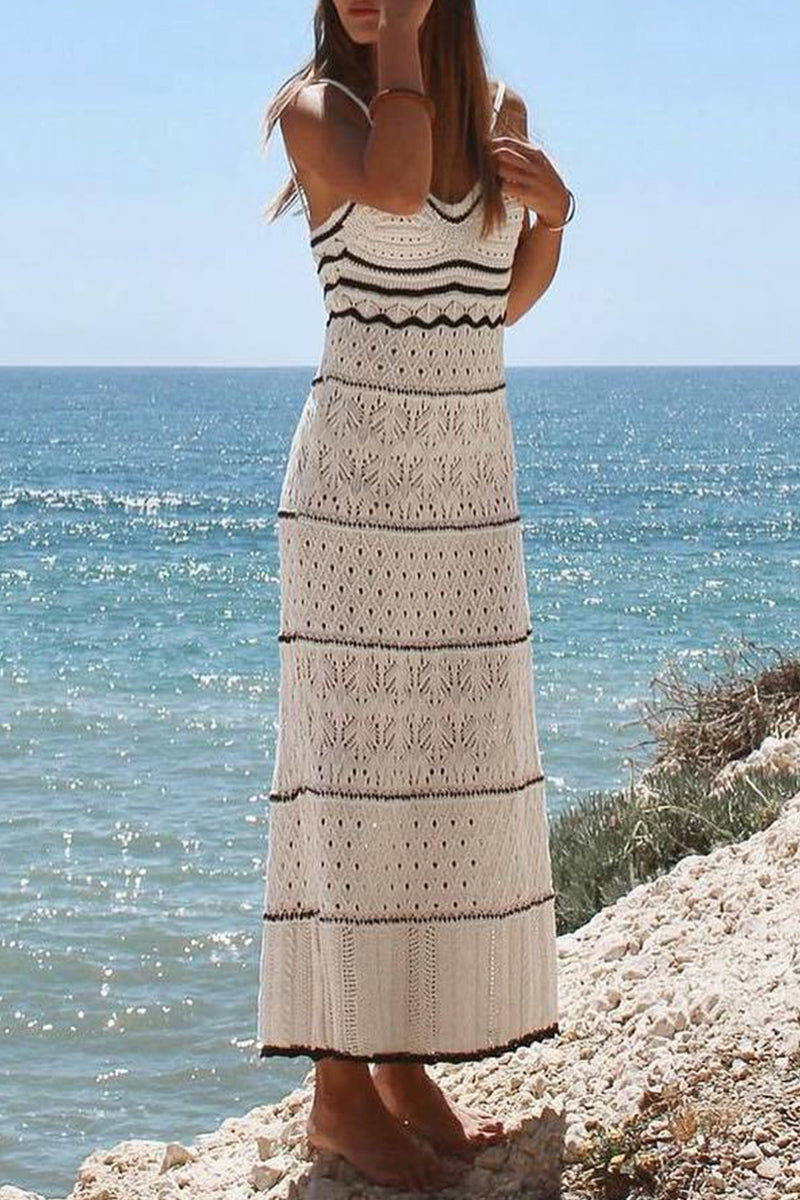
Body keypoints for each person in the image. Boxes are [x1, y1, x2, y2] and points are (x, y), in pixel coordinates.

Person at [257, 0, 574, 1190]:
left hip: (466, 494)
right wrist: (396, 43)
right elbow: (393, 193)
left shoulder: (497, 115)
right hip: (355, 499)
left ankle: (398, 1068)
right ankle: (337, 1100)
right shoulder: (317, 108)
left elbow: (494, 303)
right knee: (351, 788)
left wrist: (555, 217)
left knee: (438, 776)